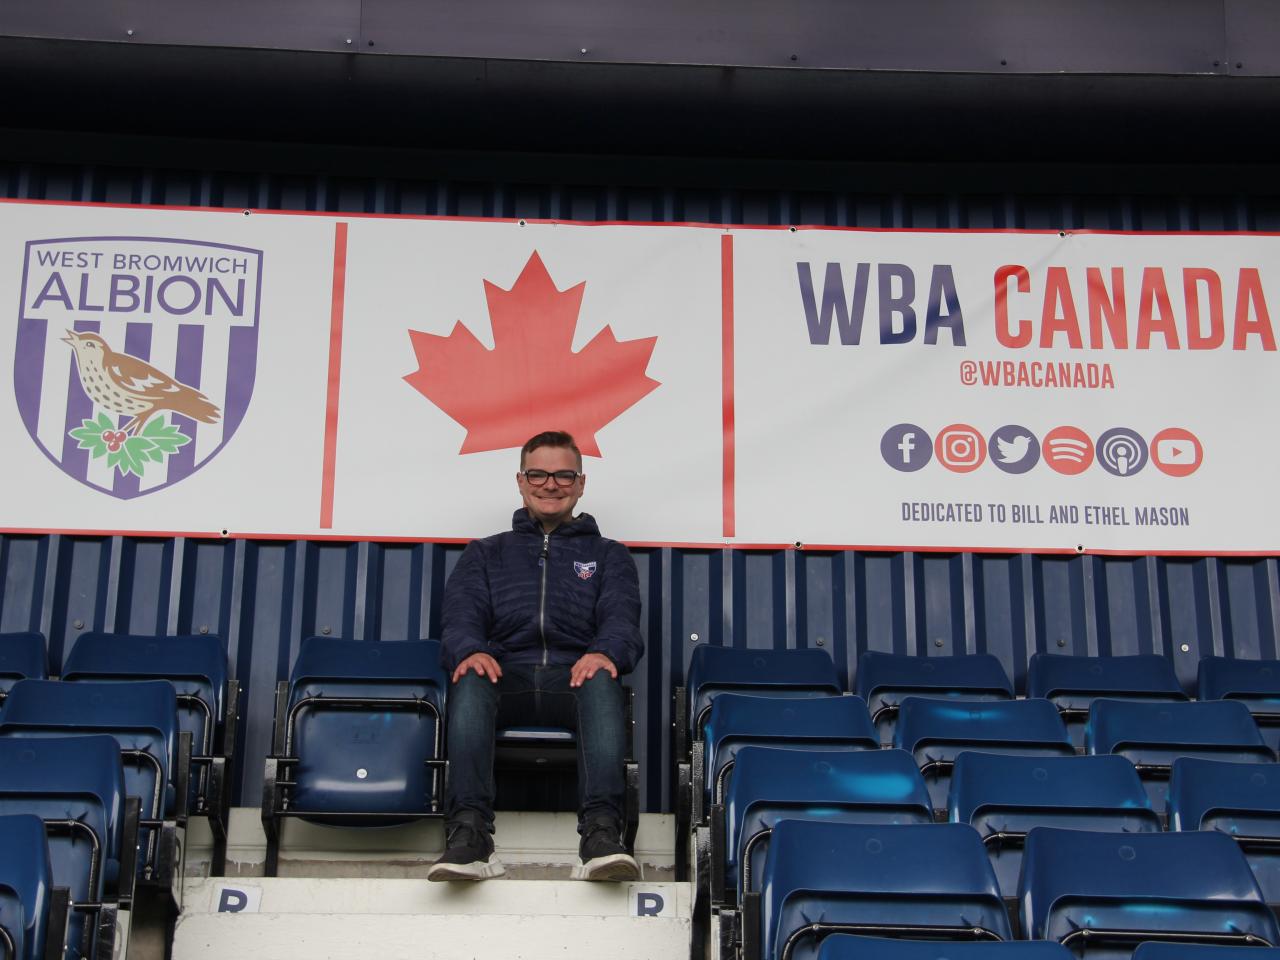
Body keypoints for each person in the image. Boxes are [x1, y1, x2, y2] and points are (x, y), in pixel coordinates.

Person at [427, 430, 645, 882]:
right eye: (538, 474)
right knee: (468, 676)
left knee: (604, 677)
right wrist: (471, 651)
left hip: (575, 681)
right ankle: (470, 836)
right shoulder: (486, 553)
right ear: (521, 481)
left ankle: (601, 836)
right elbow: (459, 621)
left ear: (581, 483)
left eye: (564, 474)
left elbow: (622, 623)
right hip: (506, 677)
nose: (551, 484)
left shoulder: (609, 556)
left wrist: (604, 651)